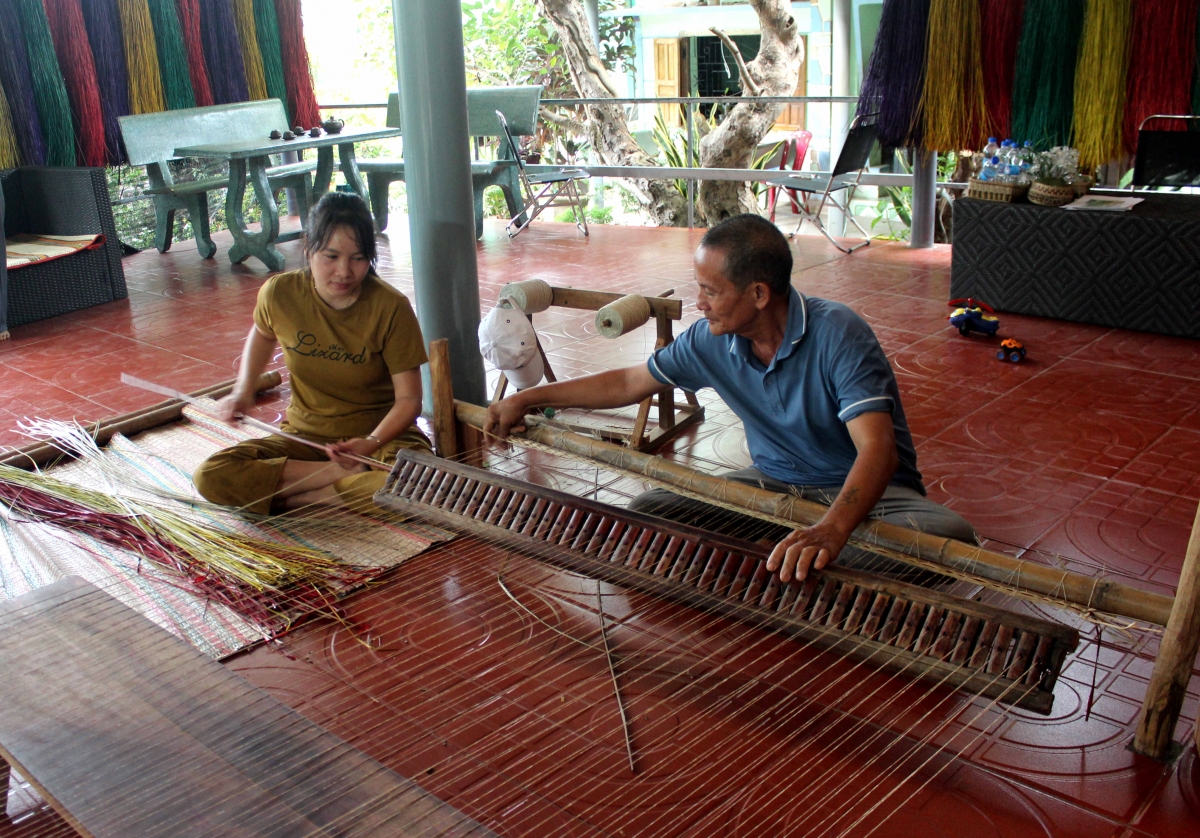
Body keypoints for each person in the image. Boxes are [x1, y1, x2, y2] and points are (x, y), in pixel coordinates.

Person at [485, 213, 976, 584]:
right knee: (651, 512)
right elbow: (628, 383)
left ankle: (799, 558)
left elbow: (878, 452)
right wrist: (530, 399)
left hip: (868, 498)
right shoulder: (712, 340)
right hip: (771, 486)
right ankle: (802, 565)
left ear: (759, 294)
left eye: (711, 291)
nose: (699, 304)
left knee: (948, 537)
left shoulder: (839, 334)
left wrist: (832, 529)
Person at [193, 192, 430, 514]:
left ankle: (300, 499)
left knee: (418, 484)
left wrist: (370, 443)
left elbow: (409, 401)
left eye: (358, 258)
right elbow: (262, 333)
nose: (344, 271)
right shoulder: (280, 293)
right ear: (309, 250)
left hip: (381, 441)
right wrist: (243, 391)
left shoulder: (390, 308)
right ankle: (337, 480)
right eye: (331, 256)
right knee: (211, 475)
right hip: (304, 437)